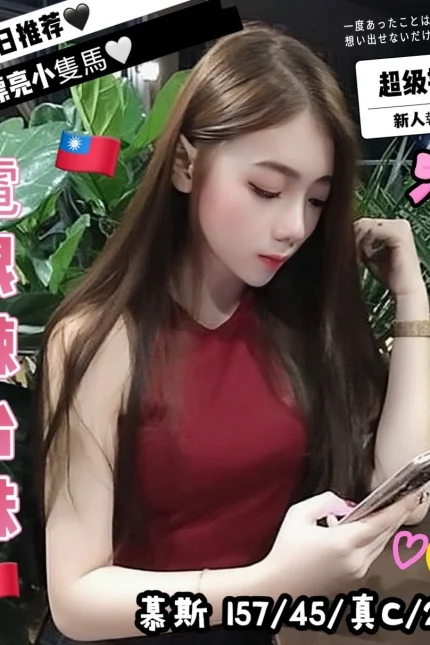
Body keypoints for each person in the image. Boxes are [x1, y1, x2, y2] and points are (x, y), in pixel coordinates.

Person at [34, 22, 430, 645]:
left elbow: (398, 486)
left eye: (317, 200)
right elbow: (76, 600)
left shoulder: (300, 324)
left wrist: (411, 296)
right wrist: (267, 585)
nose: (293, 226)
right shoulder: (101, 339)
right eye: (265, 189)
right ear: (186, 164)